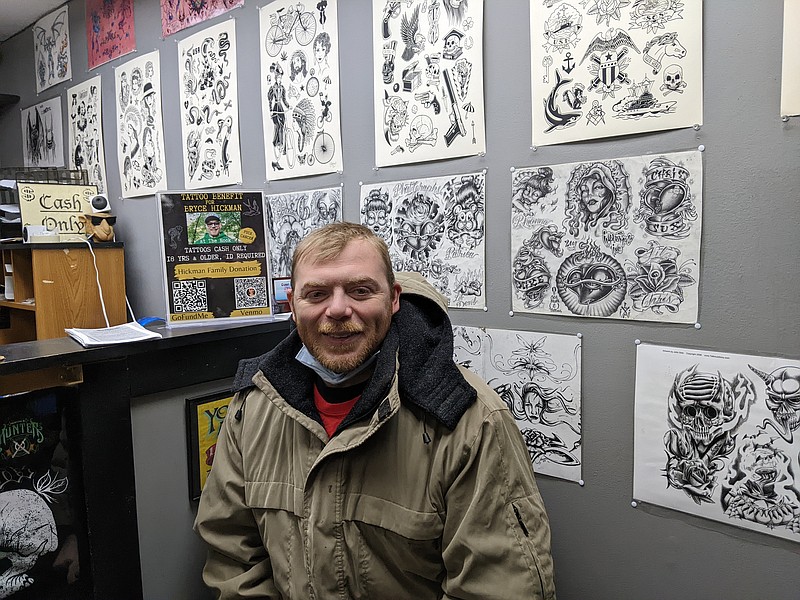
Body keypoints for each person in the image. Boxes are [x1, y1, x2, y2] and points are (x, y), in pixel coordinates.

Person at [194, 222, 556, 599]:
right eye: (316, 293)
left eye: (360, 290)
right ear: (292, 303)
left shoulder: (468, 422)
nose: (336, 309)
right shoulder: (252, 408)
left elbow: (500, 586)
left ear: (393, 298)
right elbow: (234, 558)